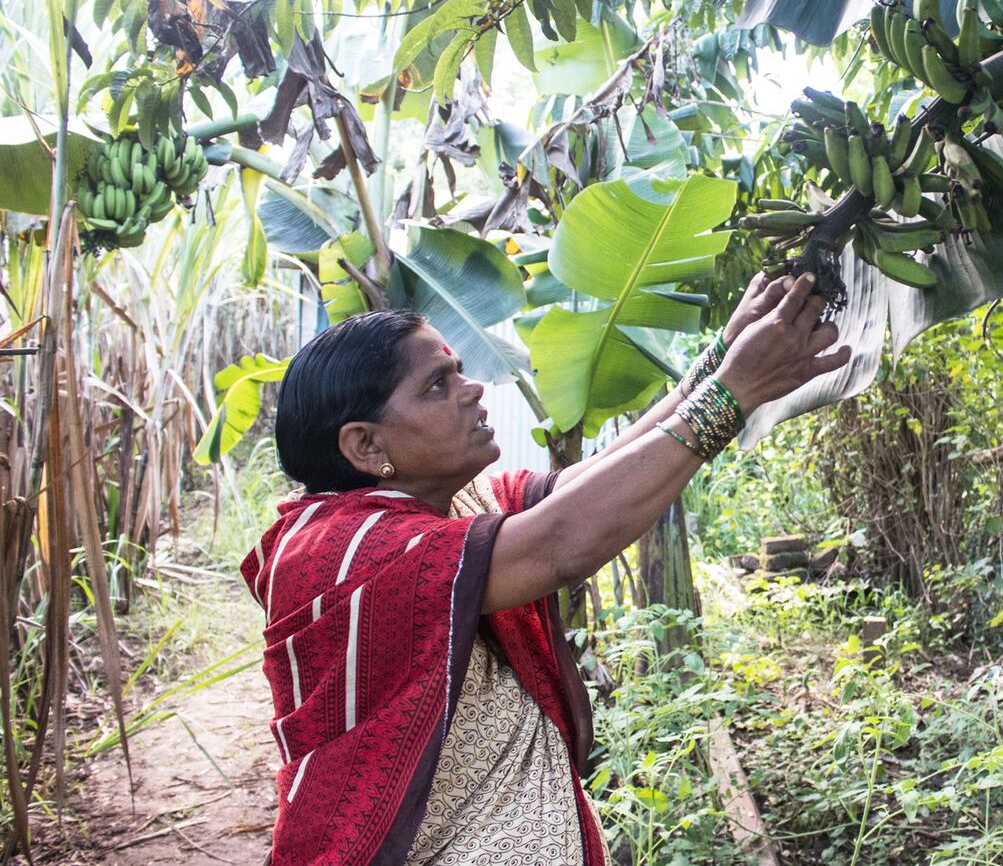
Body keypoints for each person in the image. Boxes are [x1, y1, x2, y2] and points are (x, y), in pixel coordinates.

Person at [244, 273, 847, 864]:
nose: (472, 388)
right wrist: (734, 392)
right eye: (436, 385)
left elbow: (584, 487)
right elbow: (560, 541)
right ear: (367, 447)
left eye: (458, 370)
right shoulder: (343, 550)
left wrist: (719, 358)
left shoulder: (446, 508)